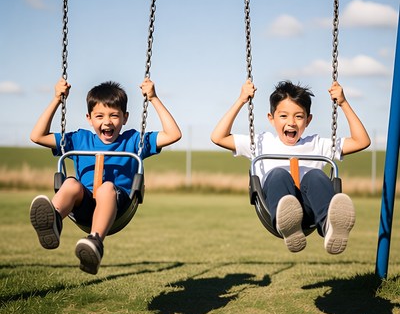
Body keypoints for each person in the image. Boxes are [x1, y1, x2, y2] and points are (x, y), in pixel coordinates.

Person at [30, 77, 181, 274]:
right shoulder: (78, 139)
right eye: (99, 116)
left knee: (106, 187)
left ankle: (95, 243)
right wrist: (57, 99)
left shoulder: (134, 141)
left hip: (117, 207)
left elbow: (173, 134)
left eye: (114, 116)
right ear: (89, 118)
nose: (107, 122)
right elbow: (37, 136)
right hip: (83, 207)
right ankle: (54, 220)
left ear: (125, 118)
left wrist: (153, 98)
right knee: (70, 184)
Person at [211, 79, 370, 255]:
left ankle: (330, 226)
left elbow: (361, 141)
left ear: (308, 120)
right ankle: (288, 224)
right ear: (271, 118)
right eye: (284, 115)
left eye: (299, 116)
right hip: (275, 206)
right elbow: (218, 137)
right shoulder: (261, 142)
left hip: (309, 209)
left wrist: (343, 103)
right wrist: (241, 100)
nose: (292, 122)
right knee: (278, 174)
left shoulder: (318, 144)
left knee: (315, 176)